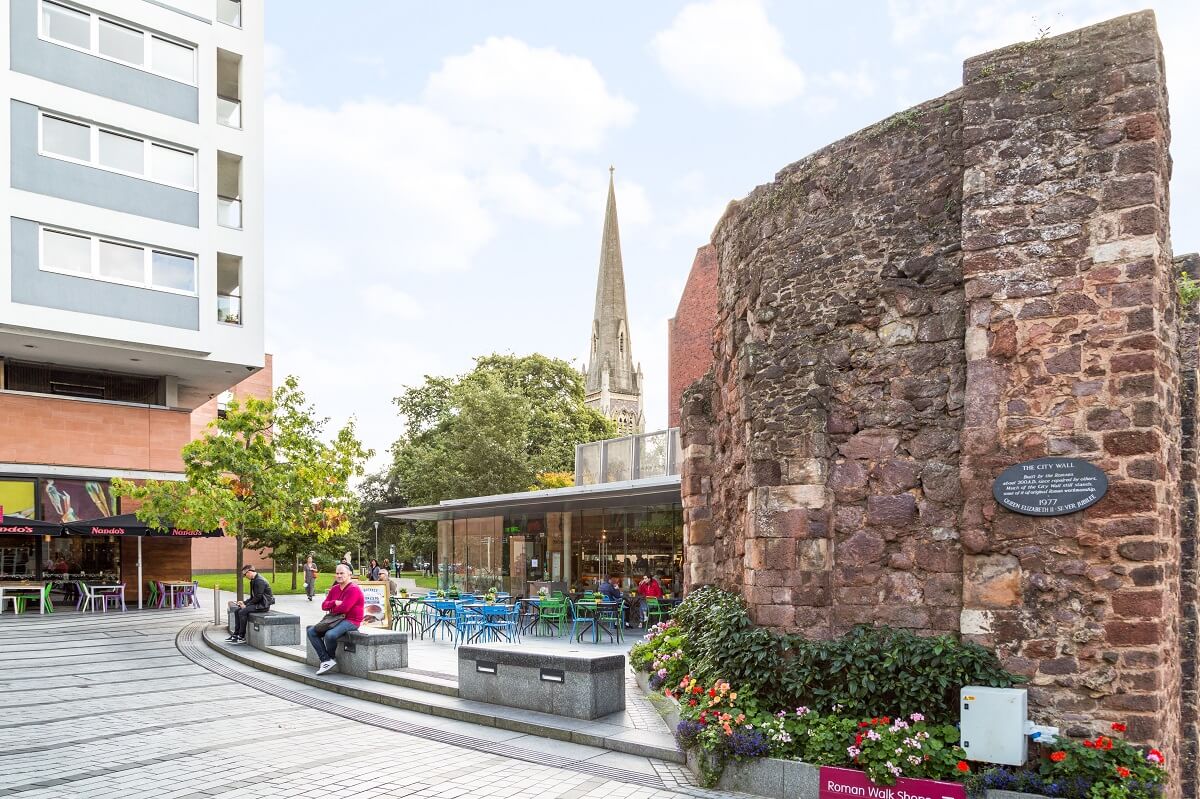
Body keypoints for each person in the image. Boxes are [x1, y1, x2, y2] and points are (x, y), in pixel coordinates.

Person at [307, 564, 364, 675]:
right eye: (337, 573)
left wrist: (333, 607)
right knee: (311, 631)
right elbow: (324, 606)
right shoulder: (335, 589)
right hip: (335, 619)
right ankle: (326, 660)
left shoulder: (354, 589)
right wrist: (335, 602)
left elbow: (345, 608)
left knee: (330, 635)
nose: (339, 575)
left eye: (342, 573)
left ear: (349, 574)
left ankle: (330, 657)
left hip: (351, 620)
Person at [226, 565, 274, 644]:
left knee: (242, 612)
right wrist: (244, 602)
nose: (245, 576)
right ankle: (235, 635)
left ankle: (241, 637)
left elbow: (258, 597)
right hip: (257, 603)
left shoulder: (260, 581)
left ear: (249, 572)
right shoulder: (254, 580)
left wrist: (246, 606)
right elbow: (253, 597)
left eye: (245, 574)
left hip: (262, 605)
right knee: (237, 611)